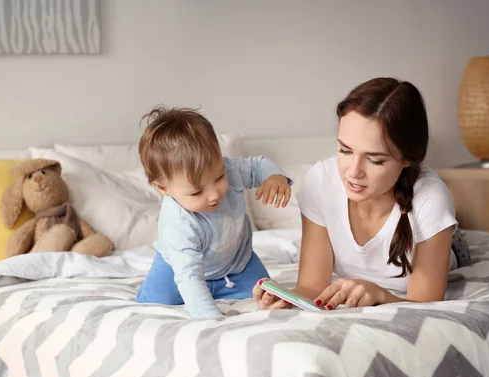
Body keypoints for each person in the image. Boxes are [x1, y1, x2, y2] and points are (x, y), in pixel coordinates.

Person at [253, 77, 471, 311]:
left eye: (375, 160)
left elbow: (425, 304)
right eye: (345, 150)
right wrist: (285, 297)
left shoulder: (431, 199)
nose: (354, 172)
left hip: (447, 245)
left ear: (407, 158)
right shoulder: (320, 181)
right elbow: (312, 287)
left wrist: (379, 294)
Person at [135, 107, 292, 318]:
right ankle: (148, 291)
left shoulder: (231, 170)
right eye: (197, 191)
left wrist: (275, 177)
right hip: (175, 269)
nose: (214, 195)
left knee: (268, 293)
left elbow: (258, 166)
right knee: (156, 301)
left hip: (238, 263)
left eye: (219, 177)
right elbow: (189, 275)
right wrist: (211, 318)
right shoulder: (178, 223)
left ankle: (224, 287)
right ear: (164, 189)